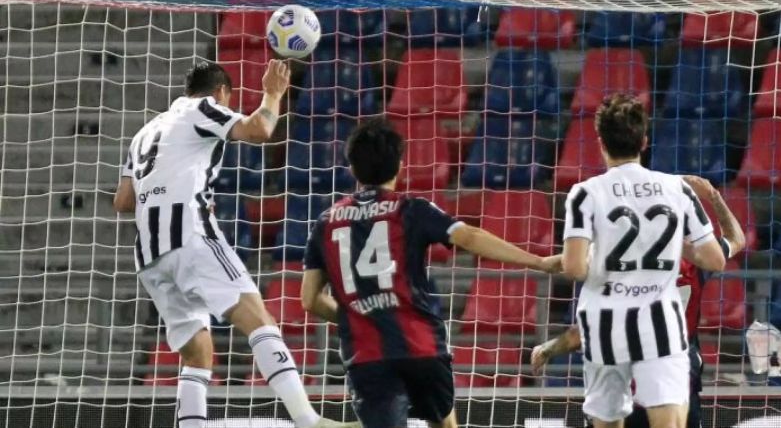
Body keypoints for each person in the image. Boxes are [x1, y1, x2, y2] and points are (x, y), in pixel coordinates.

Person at [113, 60, 357, 428]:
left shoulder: (145, 132)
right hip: (189, 237)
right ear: (222, 92)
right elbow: (260, 128)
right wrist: (273, 93)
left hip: (149, 255)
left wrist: (177, 187)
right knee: (259, 320)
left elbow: (124, 201)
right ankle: (309, 421)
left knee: (197, 353)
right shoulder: (203, 108)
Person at [300, 118, 562, 428]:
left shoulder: (326, 222)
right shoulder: (411, 209)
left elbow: (309, 299)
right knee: (444, 423)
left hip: (367, 354)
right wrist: (537, 261)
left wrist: (359, 315)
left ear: (353, 168)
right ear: (400, 164)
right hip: (420, 346)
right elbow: (469, 237)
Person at [557, 94, 727, 428]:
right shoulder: (676, 188)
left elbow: (574, 268)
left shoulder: (585, 193)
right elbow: (715, 259)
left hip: (605, 321)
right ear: (644, 142)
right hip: (660, 321)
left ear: (601, 143)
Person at [531, 174, 747, 428]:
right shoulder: (697, 263)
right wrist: (713, 196)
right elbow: (737, 240)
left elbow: (571, 275)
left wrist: (549, 348)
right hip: (675, 381)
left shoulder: (619, 265)